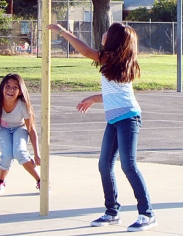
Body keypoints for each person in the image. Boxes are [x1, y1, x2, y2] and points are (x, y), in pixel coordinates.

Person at [48, 22, 157, 232]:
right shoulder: (115, 62)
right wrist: (93, 99)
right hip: (115, 119)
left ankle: (147, 213)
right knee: (104, 165)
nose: (104, 33)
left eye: (108, 31)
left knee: (128, 165)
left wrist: (62, 32)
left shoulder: (114, 59)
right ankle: (112, 211)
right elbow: (113, 94)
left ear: (114, 39)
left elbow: (85, 50)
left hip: (128, 119)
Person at [0, 73, 41, 194]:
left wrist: (36, 153)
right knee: (7, 154)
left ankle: (41, 181)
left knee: (19, 152)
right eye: (7, 86)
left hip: (19, 128)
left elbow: (31, 129)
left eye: (15, 87)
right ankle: (0, 181)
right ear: (2, 87)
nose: (10, 90)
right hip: (2, 129)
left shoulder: (23, 105)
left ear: (20, 91)